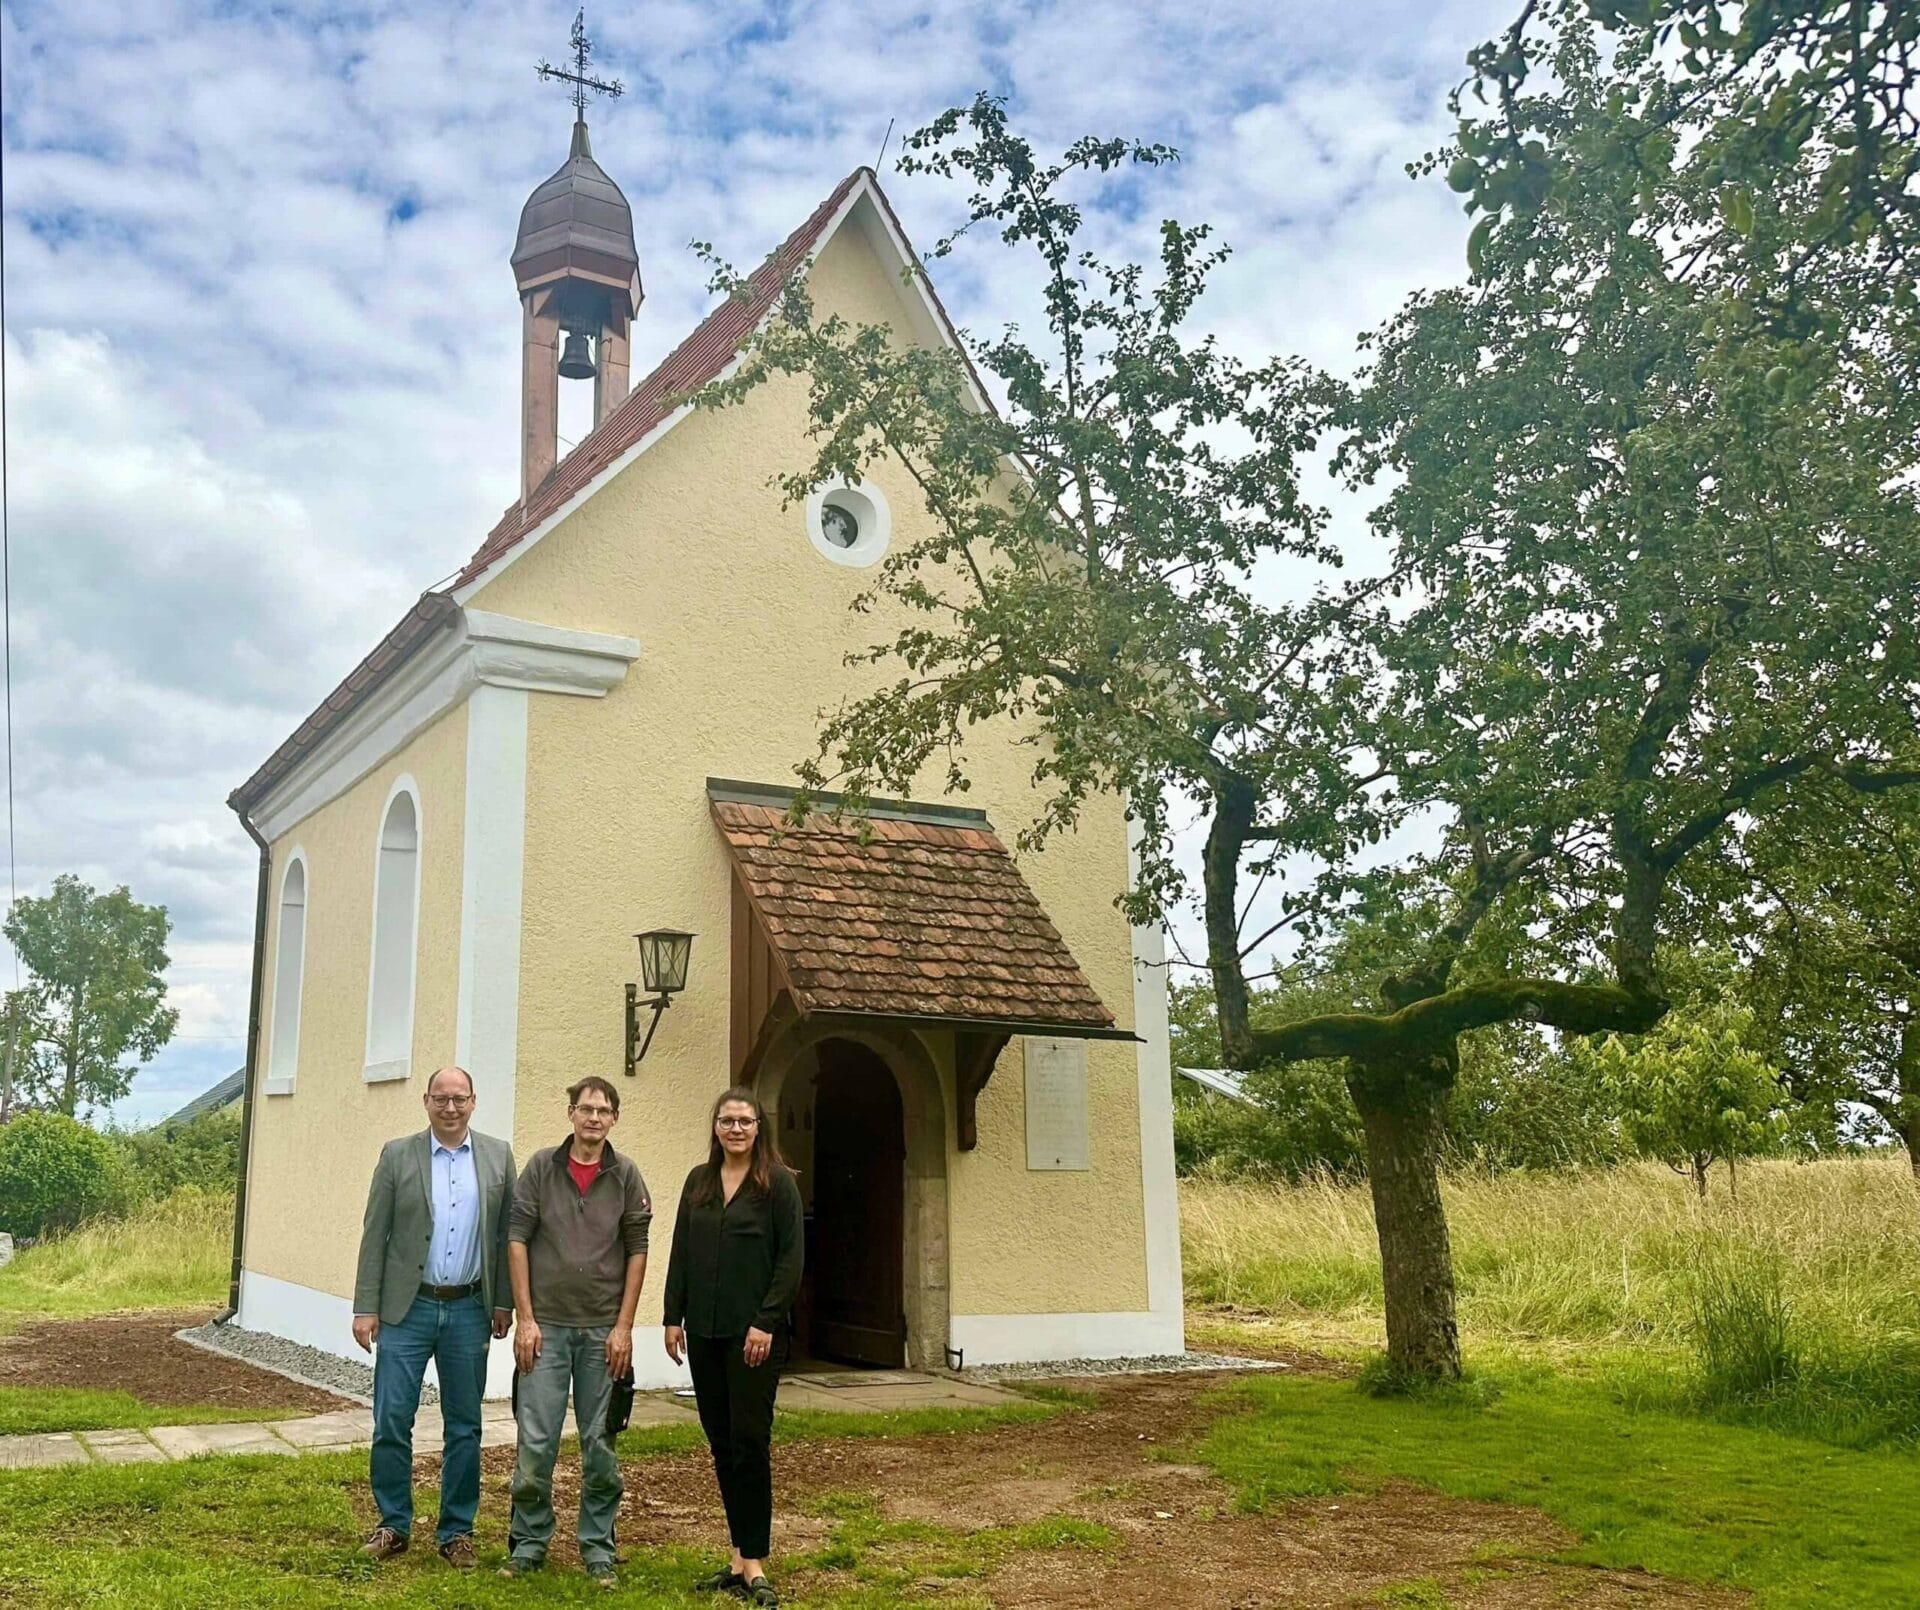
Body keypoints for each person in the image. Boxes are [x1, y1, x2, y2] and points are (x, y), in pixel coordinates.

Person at [352, 1065, 516, 1570]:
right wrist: (366, 1306)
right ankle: (393, 1524)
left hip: (469, 1308)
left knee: (465, 1426)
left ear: (473, 1101)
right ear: (426, 1102)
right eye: (441, 1099)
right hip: (408, 1308)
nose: (450, 1108)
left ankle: (456, 1532)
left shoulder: (497, 1156)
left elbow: (507, 1235)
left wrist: (504, 1301)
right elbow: (374, 1232)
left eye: (459, 1099)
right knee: (391, 1419)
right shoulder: (398, 1154)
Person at [502, 1075, 652, 1590]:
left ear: (614, 1119)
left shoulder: (627, 1175)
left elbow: (638, 1249)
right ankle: (528, 1543)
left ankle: (598, 1548)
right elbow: (517, 1239)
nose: (593, 1118)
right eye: (585, 1109)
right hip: (545, 1332)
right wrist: (526, 1318)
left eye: (603, 1111)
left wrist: (625, 1328)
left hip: (602, 1335)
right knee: (536, 1443)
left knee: (600, 1444)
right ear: (570, 1113)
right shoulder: (541, 1168)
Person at [663, 1086, 804, 1607]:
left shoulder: (778, 1186)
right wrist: (671, 1317)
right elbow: (680, 1250)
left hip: (755, 1339)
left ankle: (757, 1560)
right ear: (716, 1127)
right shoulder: (698, 1182)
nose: (736, 1129)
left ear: (758, 1127)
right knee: (721, 1442)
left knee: (750, 1442)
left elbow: (790, 1261)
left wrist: (766, 1322)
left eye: (745, 1121)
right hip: (703, 1332)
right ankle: (737, 1557)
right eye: (727, 1121)